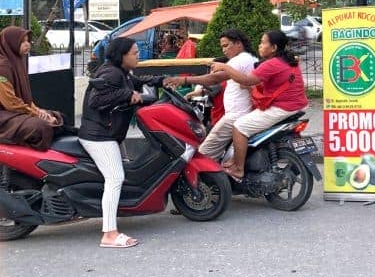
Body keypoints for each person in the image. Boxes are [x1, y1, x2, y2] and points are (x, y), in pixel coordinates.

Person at [78, 37, 164, 248]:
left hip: (109, 133)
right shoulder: (111, 73)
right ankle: (109, 234)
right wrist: (127, 95)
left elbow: (139, 82)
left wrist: (163, 82)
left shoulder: (122, 73)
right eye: (134, 53)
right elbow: (96, 100)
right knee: (115, 177)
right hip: (99, 136)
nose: (138, 56)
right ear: (122, 55)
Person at [211, 30, 307, 181]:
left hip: (283, 108)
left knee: (240, 126)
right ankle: (238, 159)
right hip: (296, 106)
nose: (259, 46)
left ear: (274, 48)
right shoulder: (286, 61)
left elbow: (247, 80)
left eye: (263, 43)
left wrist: (225, 68)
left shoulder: (272, 64)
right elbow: (265, 84)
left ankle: (238, 168)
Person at [164, 29, 256, 161]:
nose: (224, 50)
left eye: (226, 46)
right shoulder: (249, 58)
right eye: (222, 47)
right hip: (240, 114)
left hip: (235, 116)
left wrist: (184, 80)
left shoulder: (239, 60)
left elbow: (214, 79)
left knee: (204, 154)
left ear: (238, 44)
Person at [0, 26, 62, 150]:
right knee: (41, 127)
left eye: (28, 41)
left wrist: (39, 111)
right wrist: (36, 115)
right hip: (4, 116)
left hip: (16, 113)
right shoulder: (2, 67)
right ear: (10, 43)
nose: (27, 44)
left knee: (57, 116)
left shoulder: (17, 61)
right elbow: (11, 103)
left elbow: (26, 100)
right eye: (22, 41)